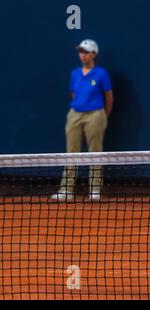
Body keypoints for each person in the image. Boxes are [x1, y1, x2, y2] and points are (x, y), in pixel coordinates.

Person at [51, 39, 114, 202]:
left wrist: (102, 116)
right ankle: (66, 191)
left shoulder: (101, 74)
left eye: (86, 52)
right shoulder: (75, 73)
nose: (82, 55)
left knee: (95, 152)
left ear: (94, 54)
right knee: (71, 152)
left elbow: (109, 97)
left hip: (96, 115)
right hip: (75, 114)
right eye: (80, 51)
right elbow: (73, 93)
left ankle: (94, 191)